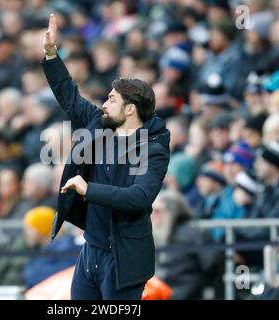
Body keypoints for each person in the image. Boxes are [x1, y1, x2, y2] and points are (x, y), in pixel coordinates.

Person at [41, 14, 170, 300]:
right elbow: (70, 97)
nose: (105, 103)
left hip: (123, 257)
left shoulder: (154, 149)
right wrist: (51, 55)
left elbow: (138, 198)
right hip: (91, 251)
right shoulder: (100, 124)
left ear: (130, 110)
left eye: (112, 99)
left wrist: (89, 190)